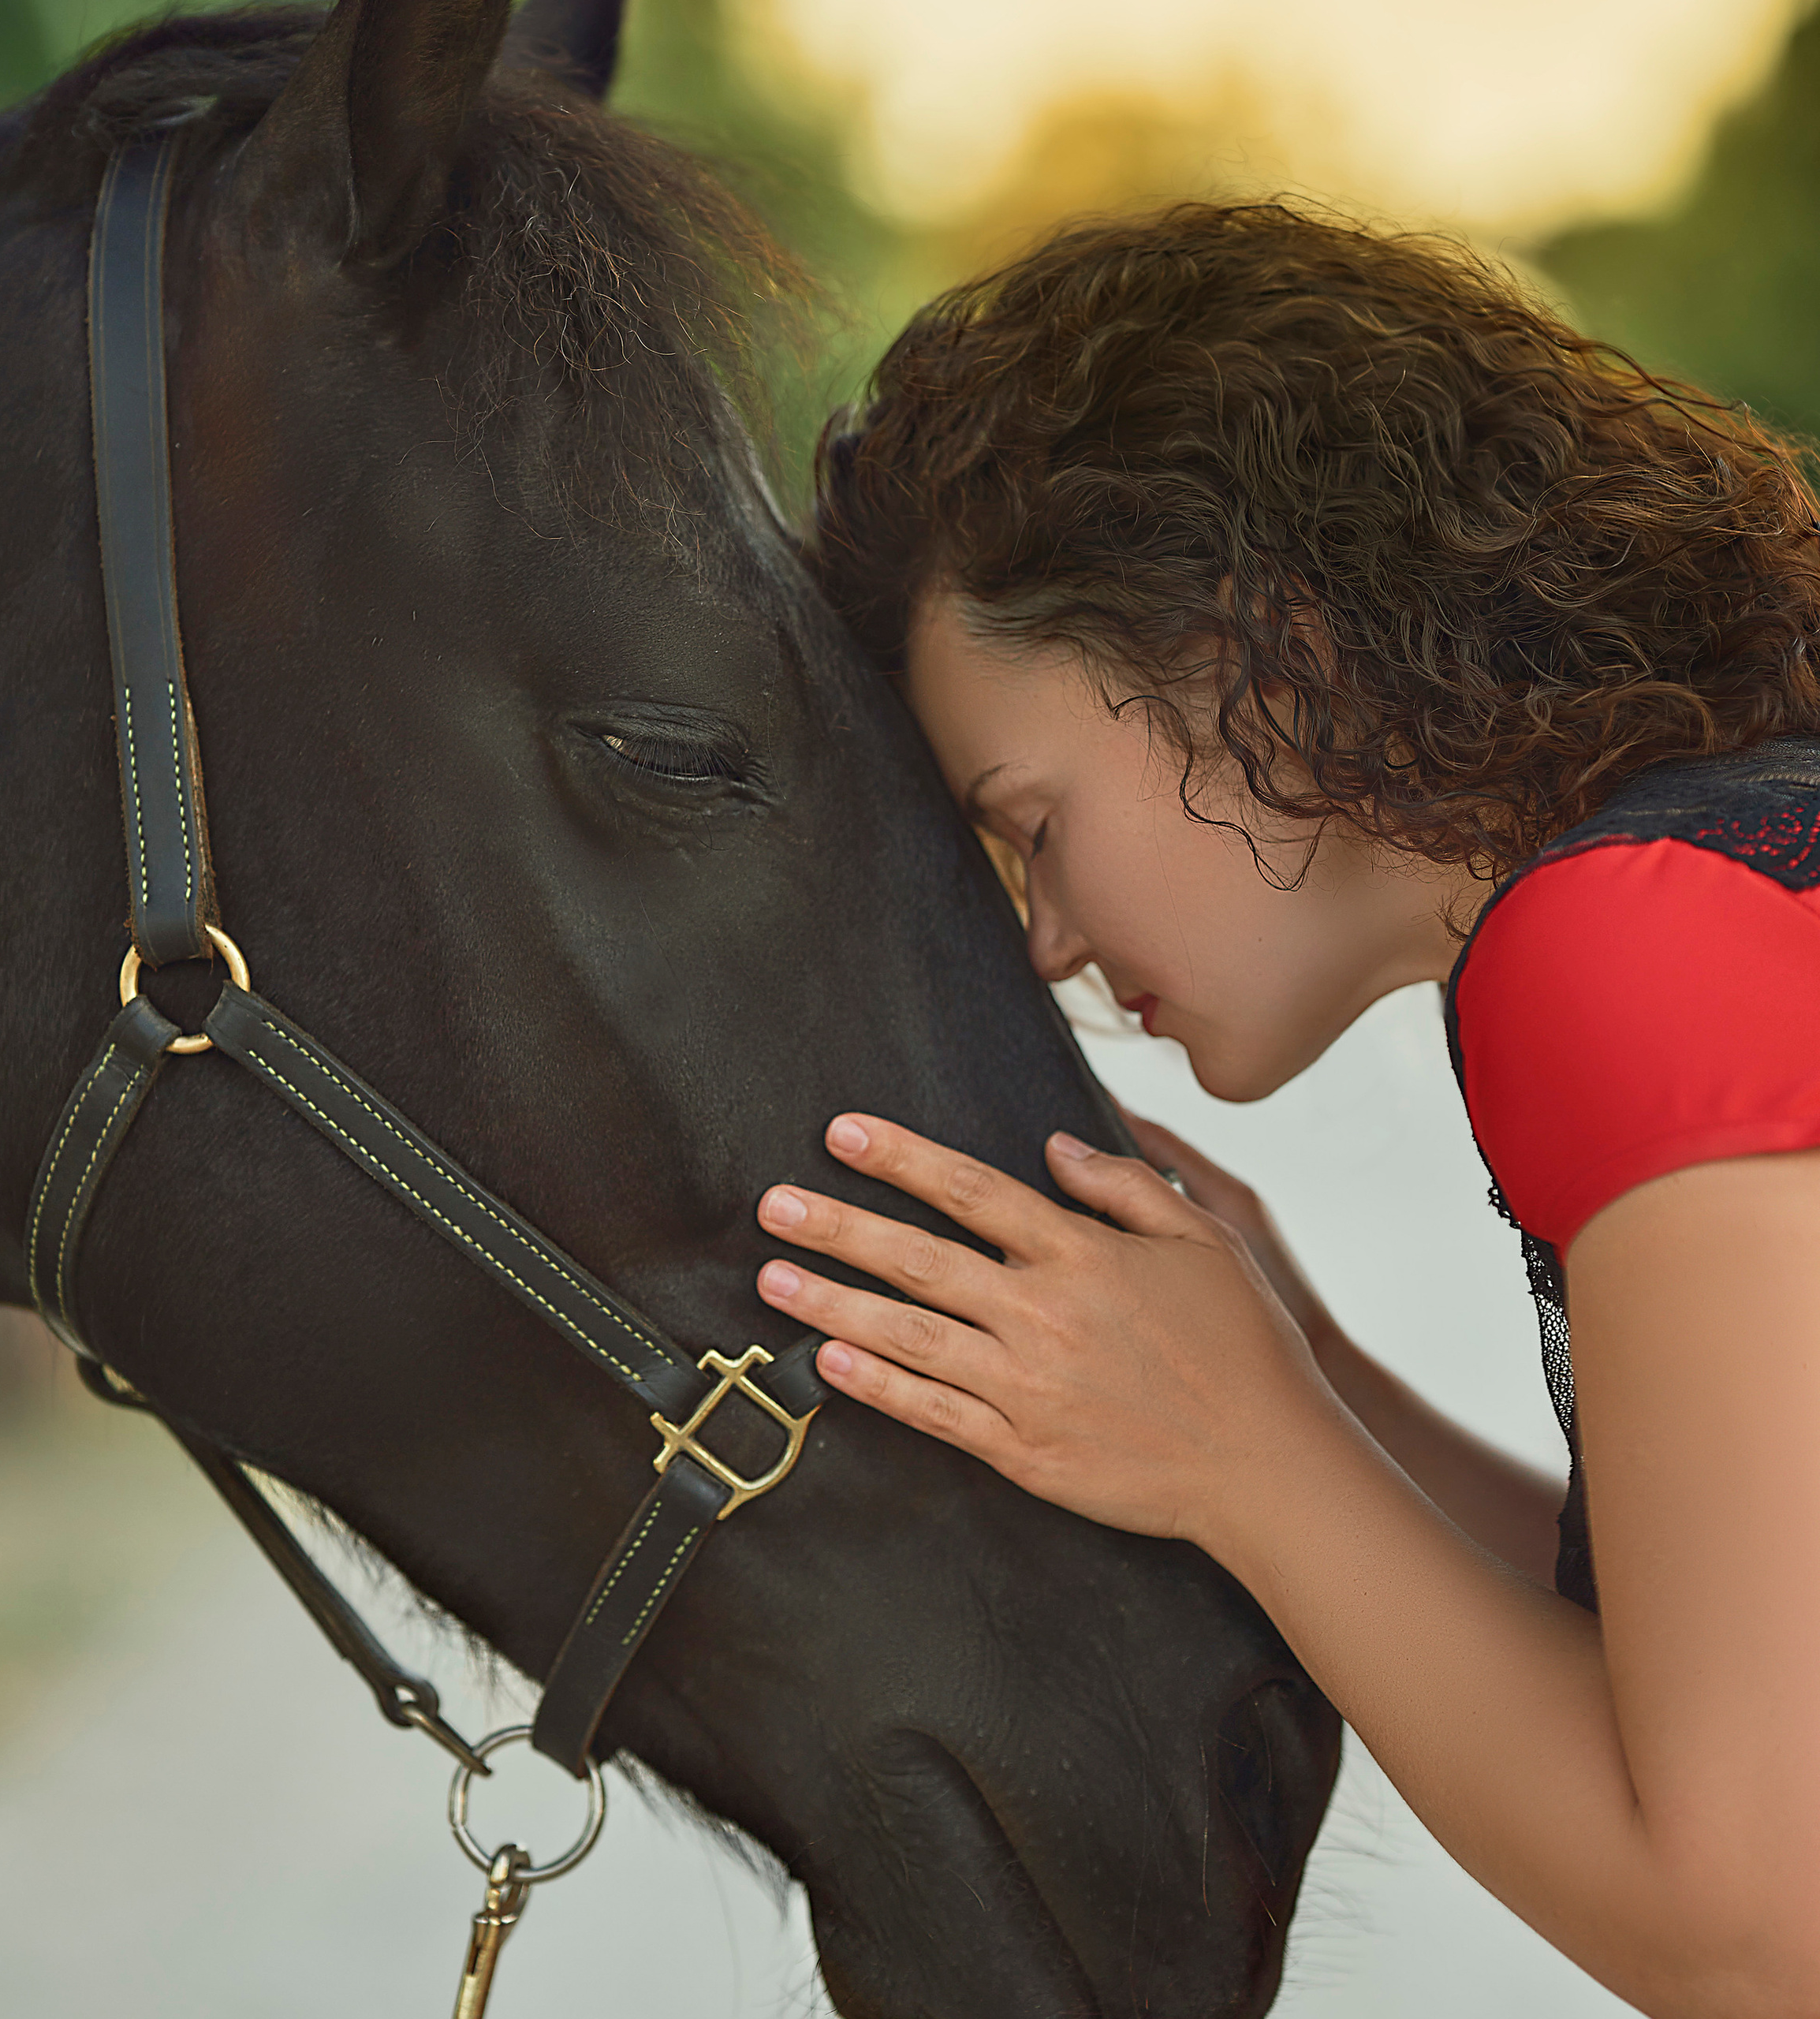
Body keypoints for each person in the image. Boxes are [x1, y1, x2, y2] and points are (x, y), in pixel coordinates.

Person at [753, 202, 1820, 2016]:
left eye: (1025, 823)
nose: (1047, 943)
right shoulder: (1724, 861)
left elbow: (1761, 1926)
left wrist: (1242, 1453)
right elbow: (1692, 1654)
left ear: (1258, 649)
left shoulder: (1629, 938)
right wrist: (1295, 1369)